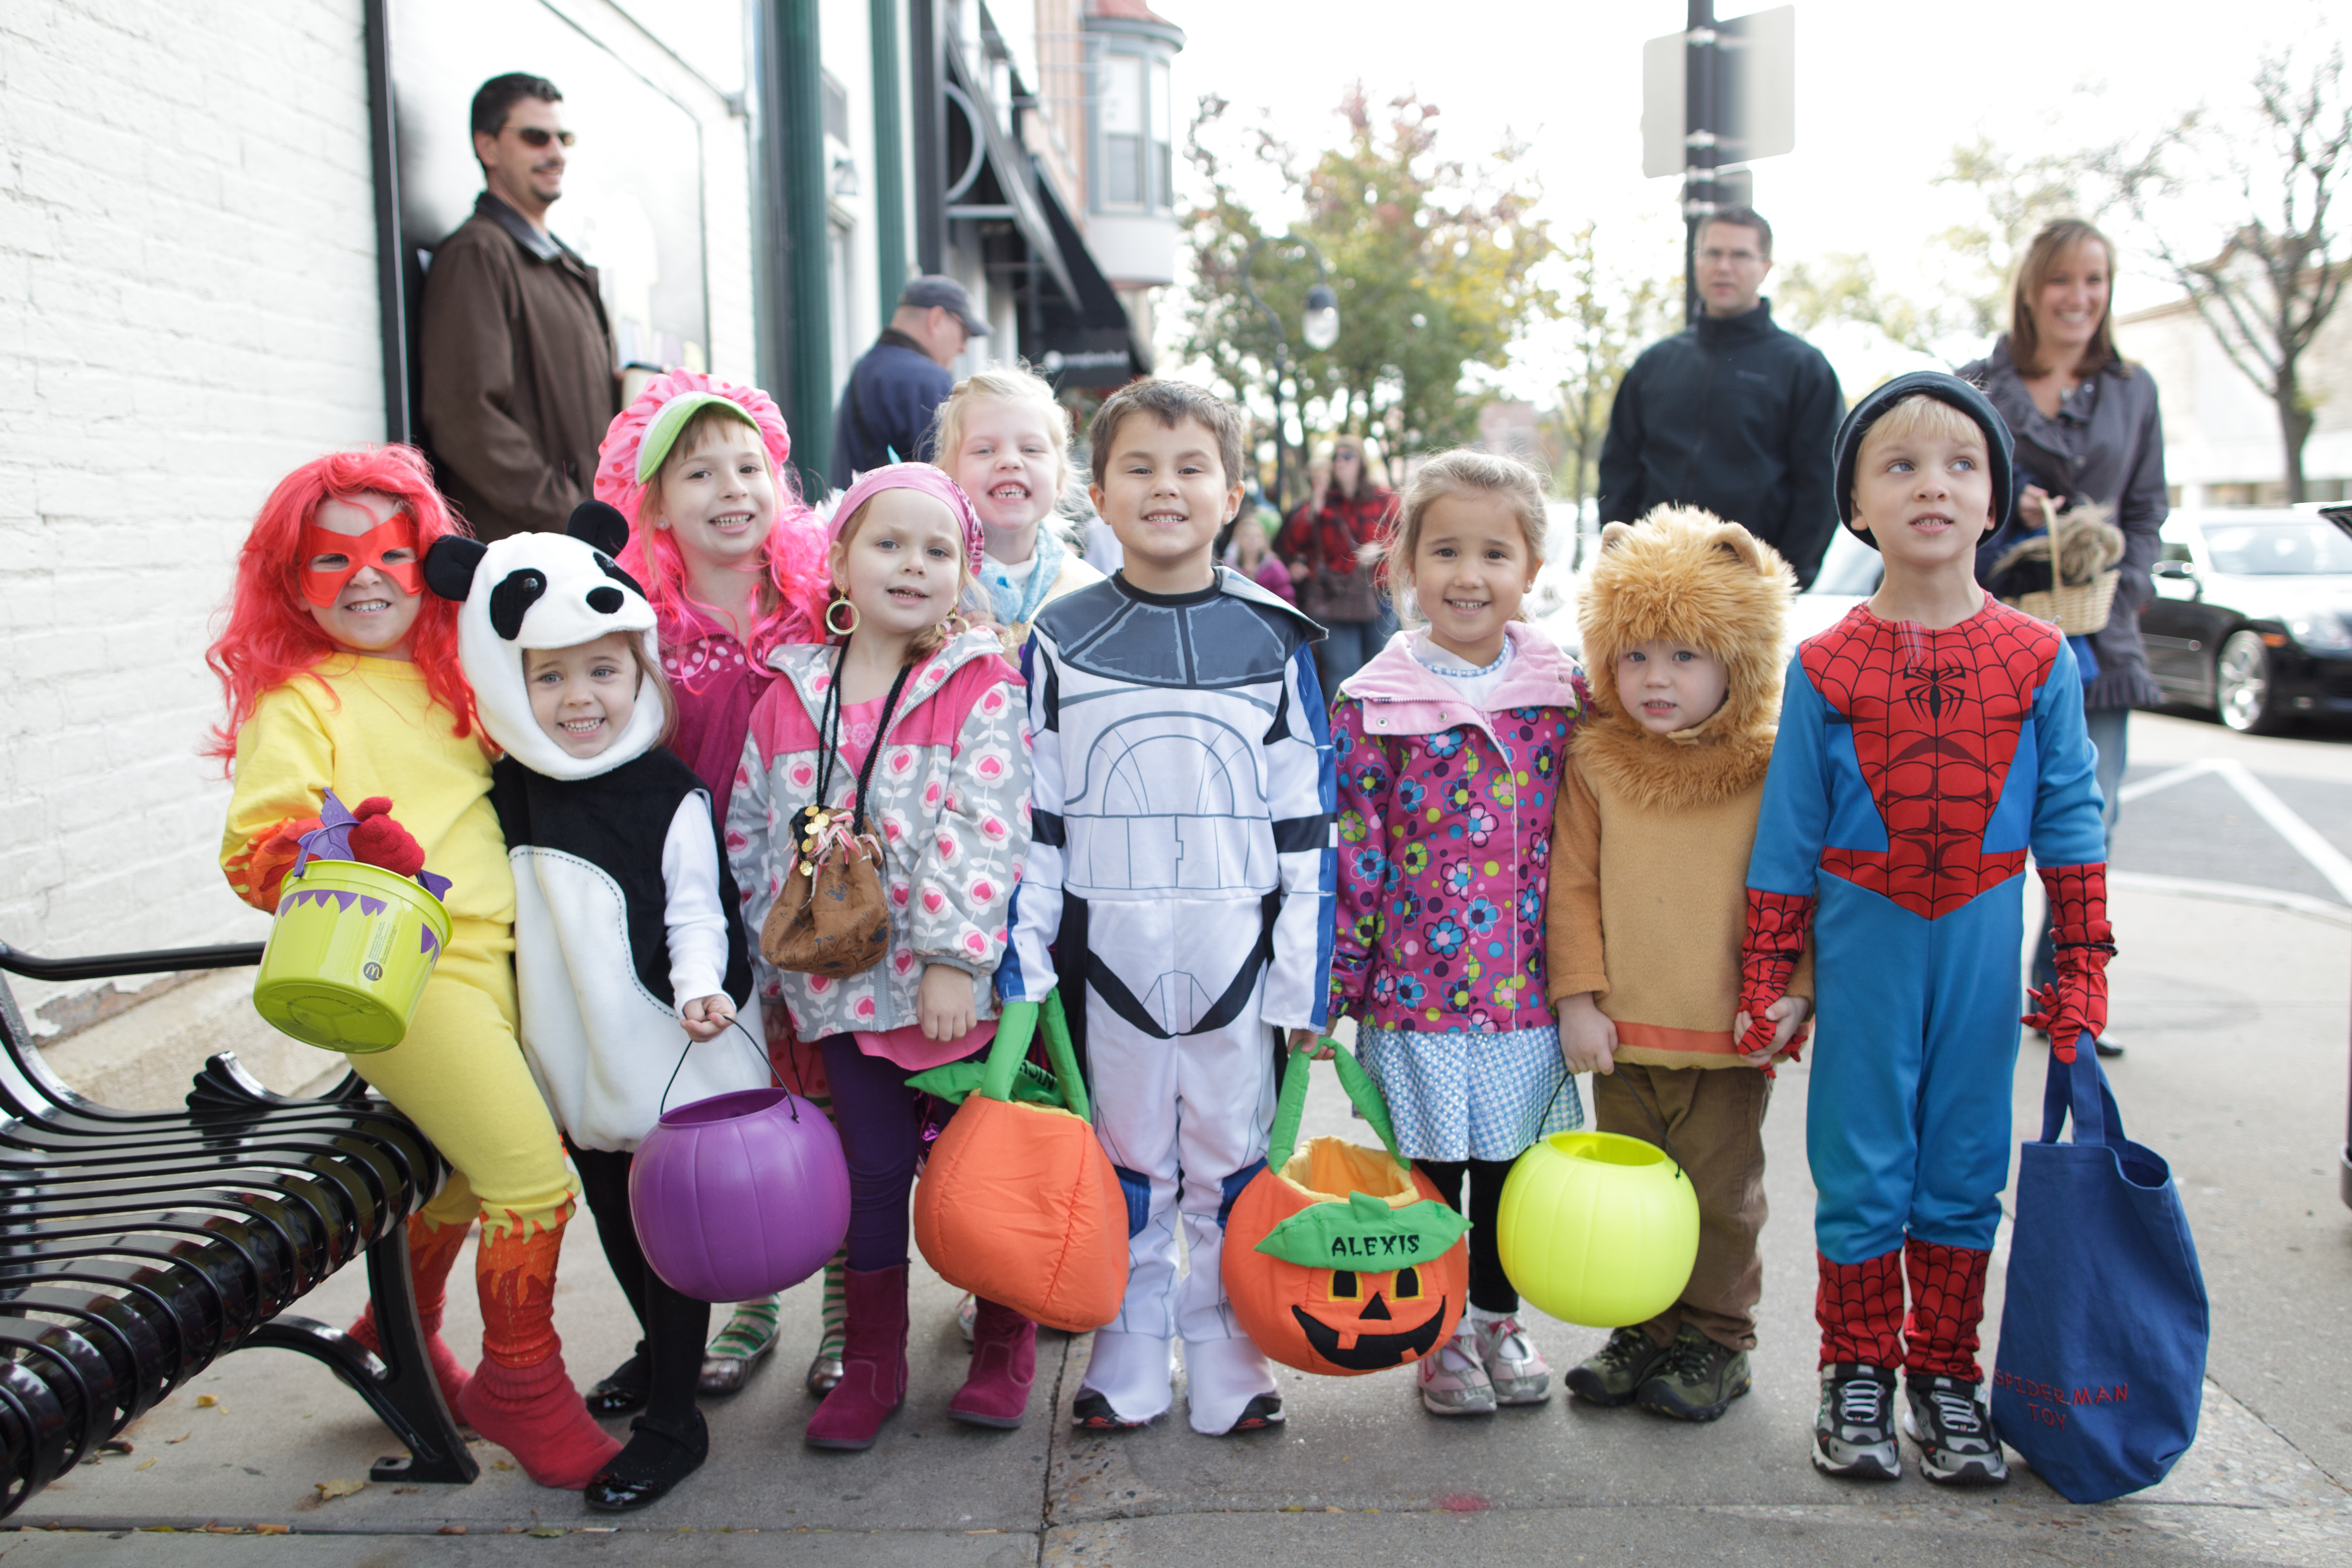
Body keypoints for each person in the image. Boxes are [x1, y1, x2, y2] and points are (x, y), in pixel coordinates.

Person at [209, 448, 621, 1490]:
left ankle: (400, 1327)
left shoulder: (454, 677)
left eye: (391, 553)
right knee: (532, 1177)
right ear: (291, 577)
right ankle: (522, 1381)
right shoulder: (301, 699)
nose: (365, 578)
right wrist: (343, 845)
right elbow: (257, 848)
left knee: (469, 1173)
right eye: (331, 558)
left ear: (429, 561)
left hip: (498, 963)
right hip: (395, 973)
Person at [1739, 373, 2110, 1487]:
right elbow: (1789, 830)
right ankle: (1854, 1368)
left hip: (1981, 957)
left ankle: (1945, 1371)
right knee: (1861, 1164)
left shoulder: (2039, 658)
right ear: (1857, 505)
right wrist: (1768, 972)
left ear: (1995, 499)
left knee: (1963, 1163)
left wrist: (2081, 963)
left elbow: (2071, 815)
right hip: (1869, 959)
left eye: (1960, 465)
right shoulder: (1824, 664)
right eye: (1899, 467)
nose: (1932, 487)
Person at [998, 380, 1335, 1438]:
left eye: (1192, 467)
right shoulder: (1059, 637)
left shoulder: (1278, 638)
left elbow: (1308, 823)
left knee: (1234, 1160)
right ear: (1097, 494)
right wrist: (1026, 958)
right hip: (1108, 949)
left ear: (1232, 494)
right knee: (1126, 1158)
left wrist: (1304, 979)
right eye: (1138, 467)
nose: (1165, 488)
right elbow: (1036, 812)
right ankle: (1131, 1338)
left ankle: (1230, 1337)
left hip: (1240, 949)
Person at [429, 514, 767, 1511]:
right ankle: (660, 1350)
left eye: (603, 672)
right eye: (550, 677)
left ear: (640, 671)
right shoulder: (509, 791)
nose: (580, 697)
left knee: (668, 1227)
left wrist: (702, 984)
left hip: (669, 1042)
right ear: (508, 682)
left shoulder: (667, 791)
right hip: (574, 1050)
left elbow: (701, 907)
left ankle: (674, 1418)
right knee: (614, 1213)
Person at [728, 465, 1033, 1450]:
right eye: (888, 543)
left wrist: (954, 958)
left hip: (949, 1000)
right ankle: (871, 1360)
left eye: (938, 549)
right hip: (838, 992)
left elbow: (988, 823)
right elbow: (752, 835)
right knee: (871, 1171)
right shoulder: (789, 695)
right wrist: (774, 973)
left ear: (963, 572)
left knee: (974, 1172)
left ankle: (1004, 1339)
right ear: (840, 563)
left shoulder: (979, 684)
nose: (912, 564)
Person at [592, 373, 843, 1402]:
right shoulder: (639, 627)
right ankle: (754, 1291)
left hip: (819, 894)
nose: (732, 489)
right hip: (703, 900)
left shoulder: (822, 605)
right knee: (735, 1087)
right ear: (653, 502)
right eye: (699, 474)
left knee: (826, 1089)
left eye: (750, 467)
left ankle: (844, 1302)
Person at [1326, 450, 1589, 1417]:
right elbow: (1356, 855)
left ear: (1532, 570)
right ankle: (1436, 1332)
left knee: (1511, 1173)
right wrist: (1333, 990)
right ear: (1404, 563)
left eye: (1494, 554)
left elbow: (1595, 840)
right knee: (1434, 1175)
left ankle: (1497, 1318)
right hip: (1416, 995)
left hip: (1527, 991)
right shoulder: (1372, 703)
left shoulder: (1565, 695)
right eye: (1444, 551)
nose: (1468, 576)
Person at [1547, 507, 1810, 1424]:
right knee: (1631, 1196)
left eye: (1685, 655)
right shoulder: (1596, 761)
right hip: (1625, 1033)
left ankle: (1716, 1338)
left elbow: (1803, 885)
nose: (1656, 677)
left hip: (1728, 1036)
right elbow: (1571, 884)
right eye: (1635, 655)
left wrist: (1797, 992)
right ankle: (1644, 1326)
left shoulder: (1772, 763)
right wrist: (1577, 999)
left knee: (1719, 1198)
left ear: (1740, 656)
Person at [1960, 218, 2162, 1060]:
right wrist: (2015, 515)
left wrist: (2124, 585)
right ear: (2032, 288)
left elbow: (2147, 509)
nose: (2080, 297)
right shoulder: (1980, 385)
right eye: (2062, 280)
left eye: (2095, 280)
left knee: (2091, 821)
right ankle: (1973, 995)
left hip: (2098, 641)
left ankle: (2065, 995)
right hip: (1992, 636)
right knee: (1979, 818)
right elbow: (1953, 498)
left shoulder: (2133, 390)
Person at [1597, 208, 1845, 587]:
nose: (1724, 267)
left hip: (1752, 587)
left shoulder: (1804, 368)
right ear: (1696, 262)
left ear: (1765, 267)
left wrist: (1783, 578)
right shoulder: (1654, 365)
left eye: (1740, 255)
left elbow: (1822, 486)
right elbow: (1619, 471)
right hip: (1652, 581)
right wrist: (1625, 560)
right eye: (1713, 253)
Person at [419, 74, 619, 541]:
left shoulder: (565, 265)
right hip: (528, 556)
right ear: (488, 147)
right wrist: (569, 513)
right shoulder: (477, 254)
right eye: (535, 137)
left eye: (564, 138)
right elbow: (466, 419)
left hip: (578, 548)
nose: (556, 153)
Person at [931, 364, 1104, 655]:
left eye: (1031, 449)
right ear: (949, 477)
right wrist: (941, 652)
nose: (1010, 461)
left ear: (1060, 479)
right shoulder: (926, 587)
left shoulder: (1093, 596)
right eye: (985, 450)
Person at [829, 276, 991, 485]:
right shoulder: (926, 378)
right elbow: (951, 477)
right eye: (965, 334)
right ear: (937, 320)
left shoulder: (867, 367)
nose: (963, 348)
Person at [1276, 436, 1397, 693]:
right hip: (1333, 595)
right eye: (1336, 457)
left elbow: (1407, 537)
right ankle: (1342, 721)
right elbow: (1292, 543)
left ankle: (1377, 721)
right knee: (1343, 672)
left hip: (1379, 593)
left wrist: (1381, 548)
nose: (1340, 462)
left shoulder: (1383, 498)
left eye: (1348, 456)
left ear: (1361, 462)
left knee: (1380, 670)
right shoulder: (1323, 502)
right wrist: (1313, 510)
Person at [1226, 502, 1293, 604]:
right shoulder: (1228, 568)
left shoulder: (1275, 568)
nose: (1252, 540)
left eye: (1257, 536)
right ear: (1239, 539)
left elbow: (1287, 600)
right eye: (1248, 536)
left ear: (1264, 541)